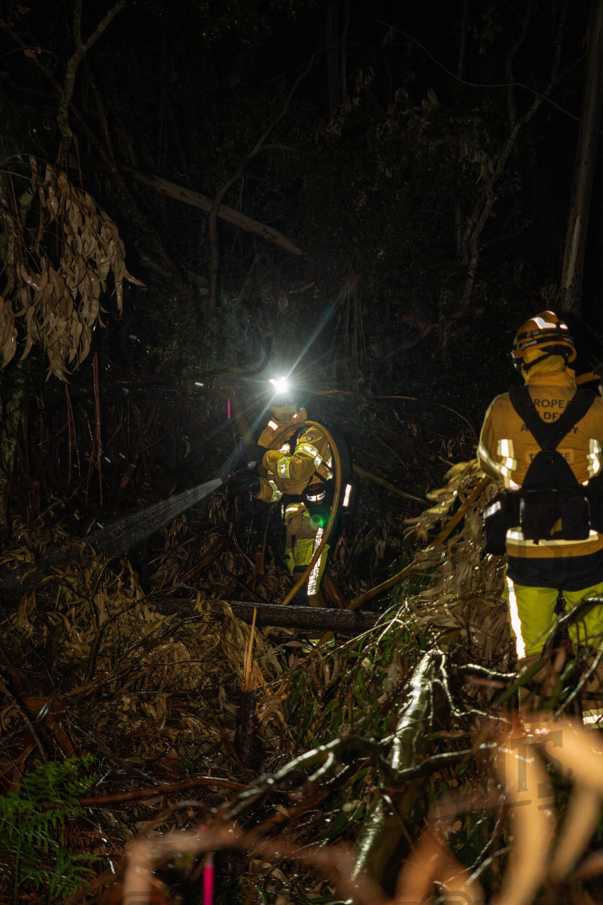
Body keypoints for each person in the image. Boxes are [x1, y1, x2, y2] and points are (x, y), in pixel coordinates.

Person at [477, 311, 603, 677]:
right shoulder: (594, 407)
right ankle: (598, 720)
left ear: (524, 357)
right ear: (566, 354)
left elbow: (488, 464)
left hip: (527, 552)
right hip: (588, 548)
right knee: (595, 648)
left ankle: (539, 727)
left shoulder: (502, 406)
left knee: (532, 654)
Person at [236, 386, 336, 605]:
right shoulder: (280, 447)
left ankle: (321, 636)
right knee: (300, 584)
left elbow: (300, 470)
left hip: (314, 517)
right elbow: (277, 491)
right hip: (293, 524)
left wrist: (264, 456)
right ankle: (310, 637)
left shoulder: (313, 433)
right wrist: (256, 487)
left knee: (306, 586)